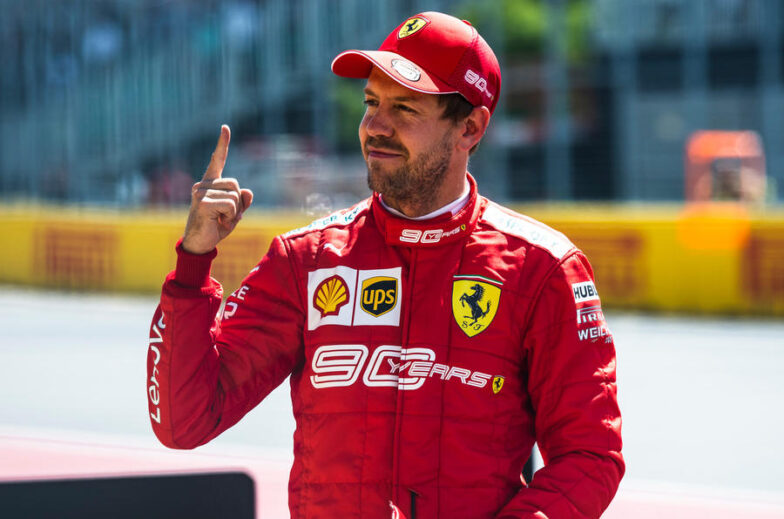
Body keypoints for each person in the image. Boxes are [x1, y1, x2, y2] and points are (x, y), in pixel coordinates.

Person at [147, 11, 624, 519]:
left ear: (470, 127)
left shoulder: (542, 269)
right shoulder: (306, 260)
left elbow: (590, 457)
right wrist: (193, 264)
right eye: (372, 102)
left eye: (404, 107)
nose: (375, 126)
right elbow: (183, 423)